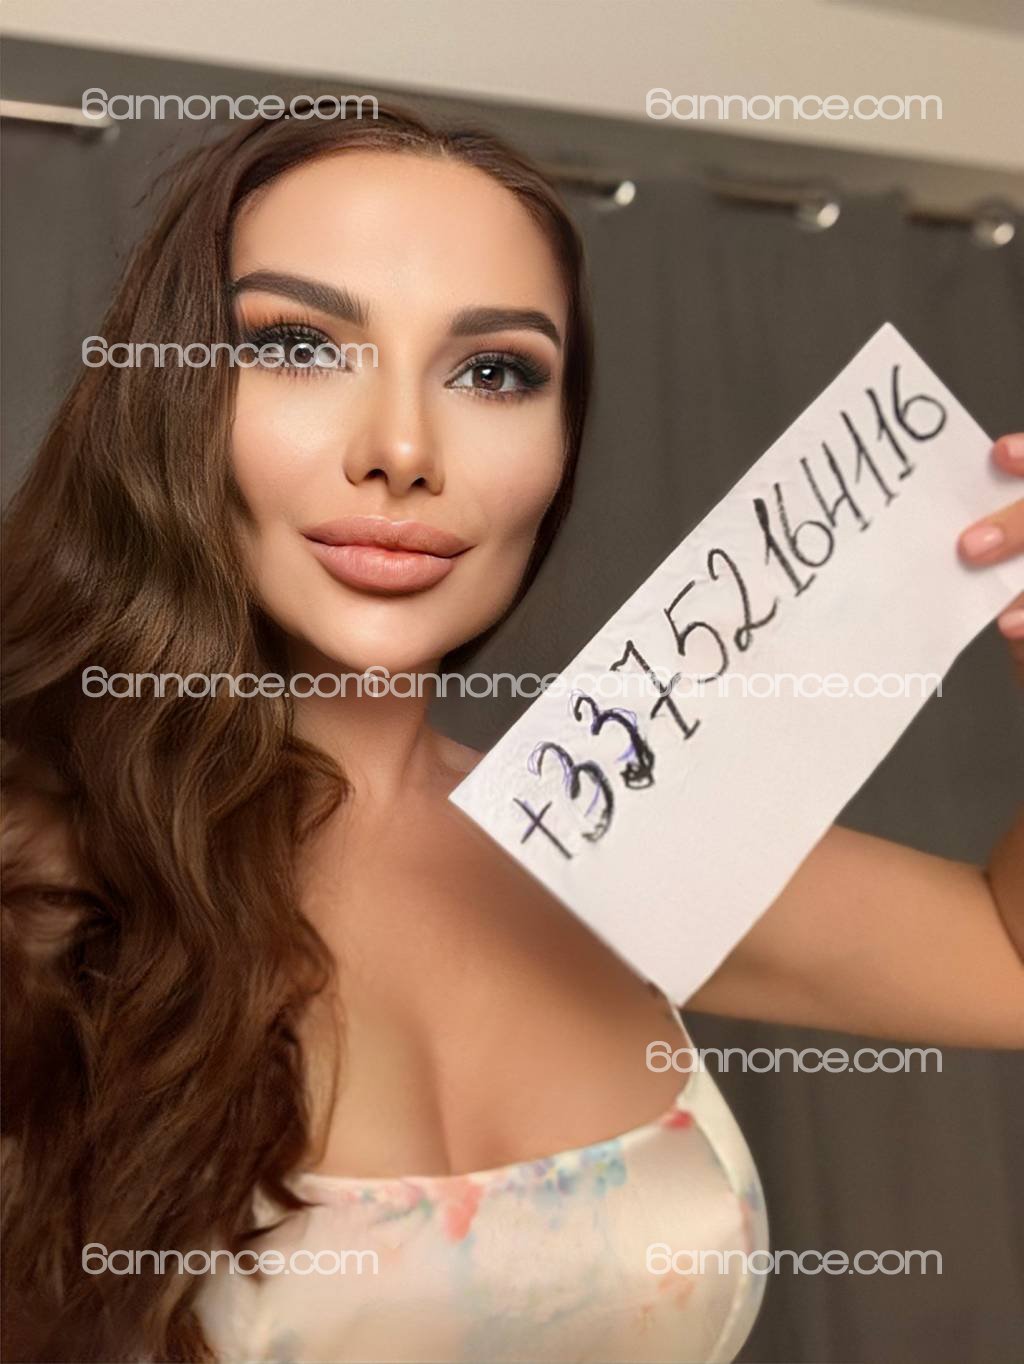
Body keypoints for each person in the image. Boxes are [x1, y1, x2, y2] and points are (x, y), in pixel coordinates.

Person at [1, 102, 1021, 1364]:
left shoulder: (619, 828)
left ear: (562, 439)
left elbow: (1007, 957)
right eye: (301, 346)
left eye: (494, 372)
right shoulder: (29, 867)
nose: (402, 451)